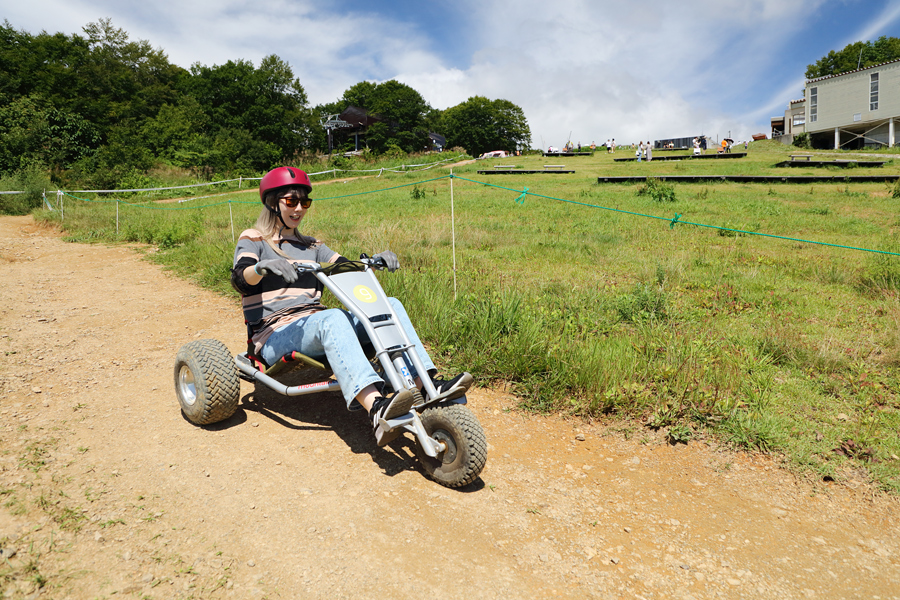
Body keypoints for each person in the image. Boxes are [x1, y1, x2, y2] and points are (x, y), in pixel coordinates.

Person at [231, 166, 473, 445]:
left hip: (315, 324)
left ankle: (423, 385)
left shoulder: (312, 246)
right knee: (334, 318)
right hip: (274, 334)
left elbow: (347, 268)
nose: (299, 208)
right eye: (291, 201)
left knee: (389, 303)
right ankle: (377, 408)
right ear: (273, 203)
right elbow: (240, 278)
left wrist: (374, 260)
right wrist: (262, 267)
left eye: (304, 202)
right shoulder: (254, 238)